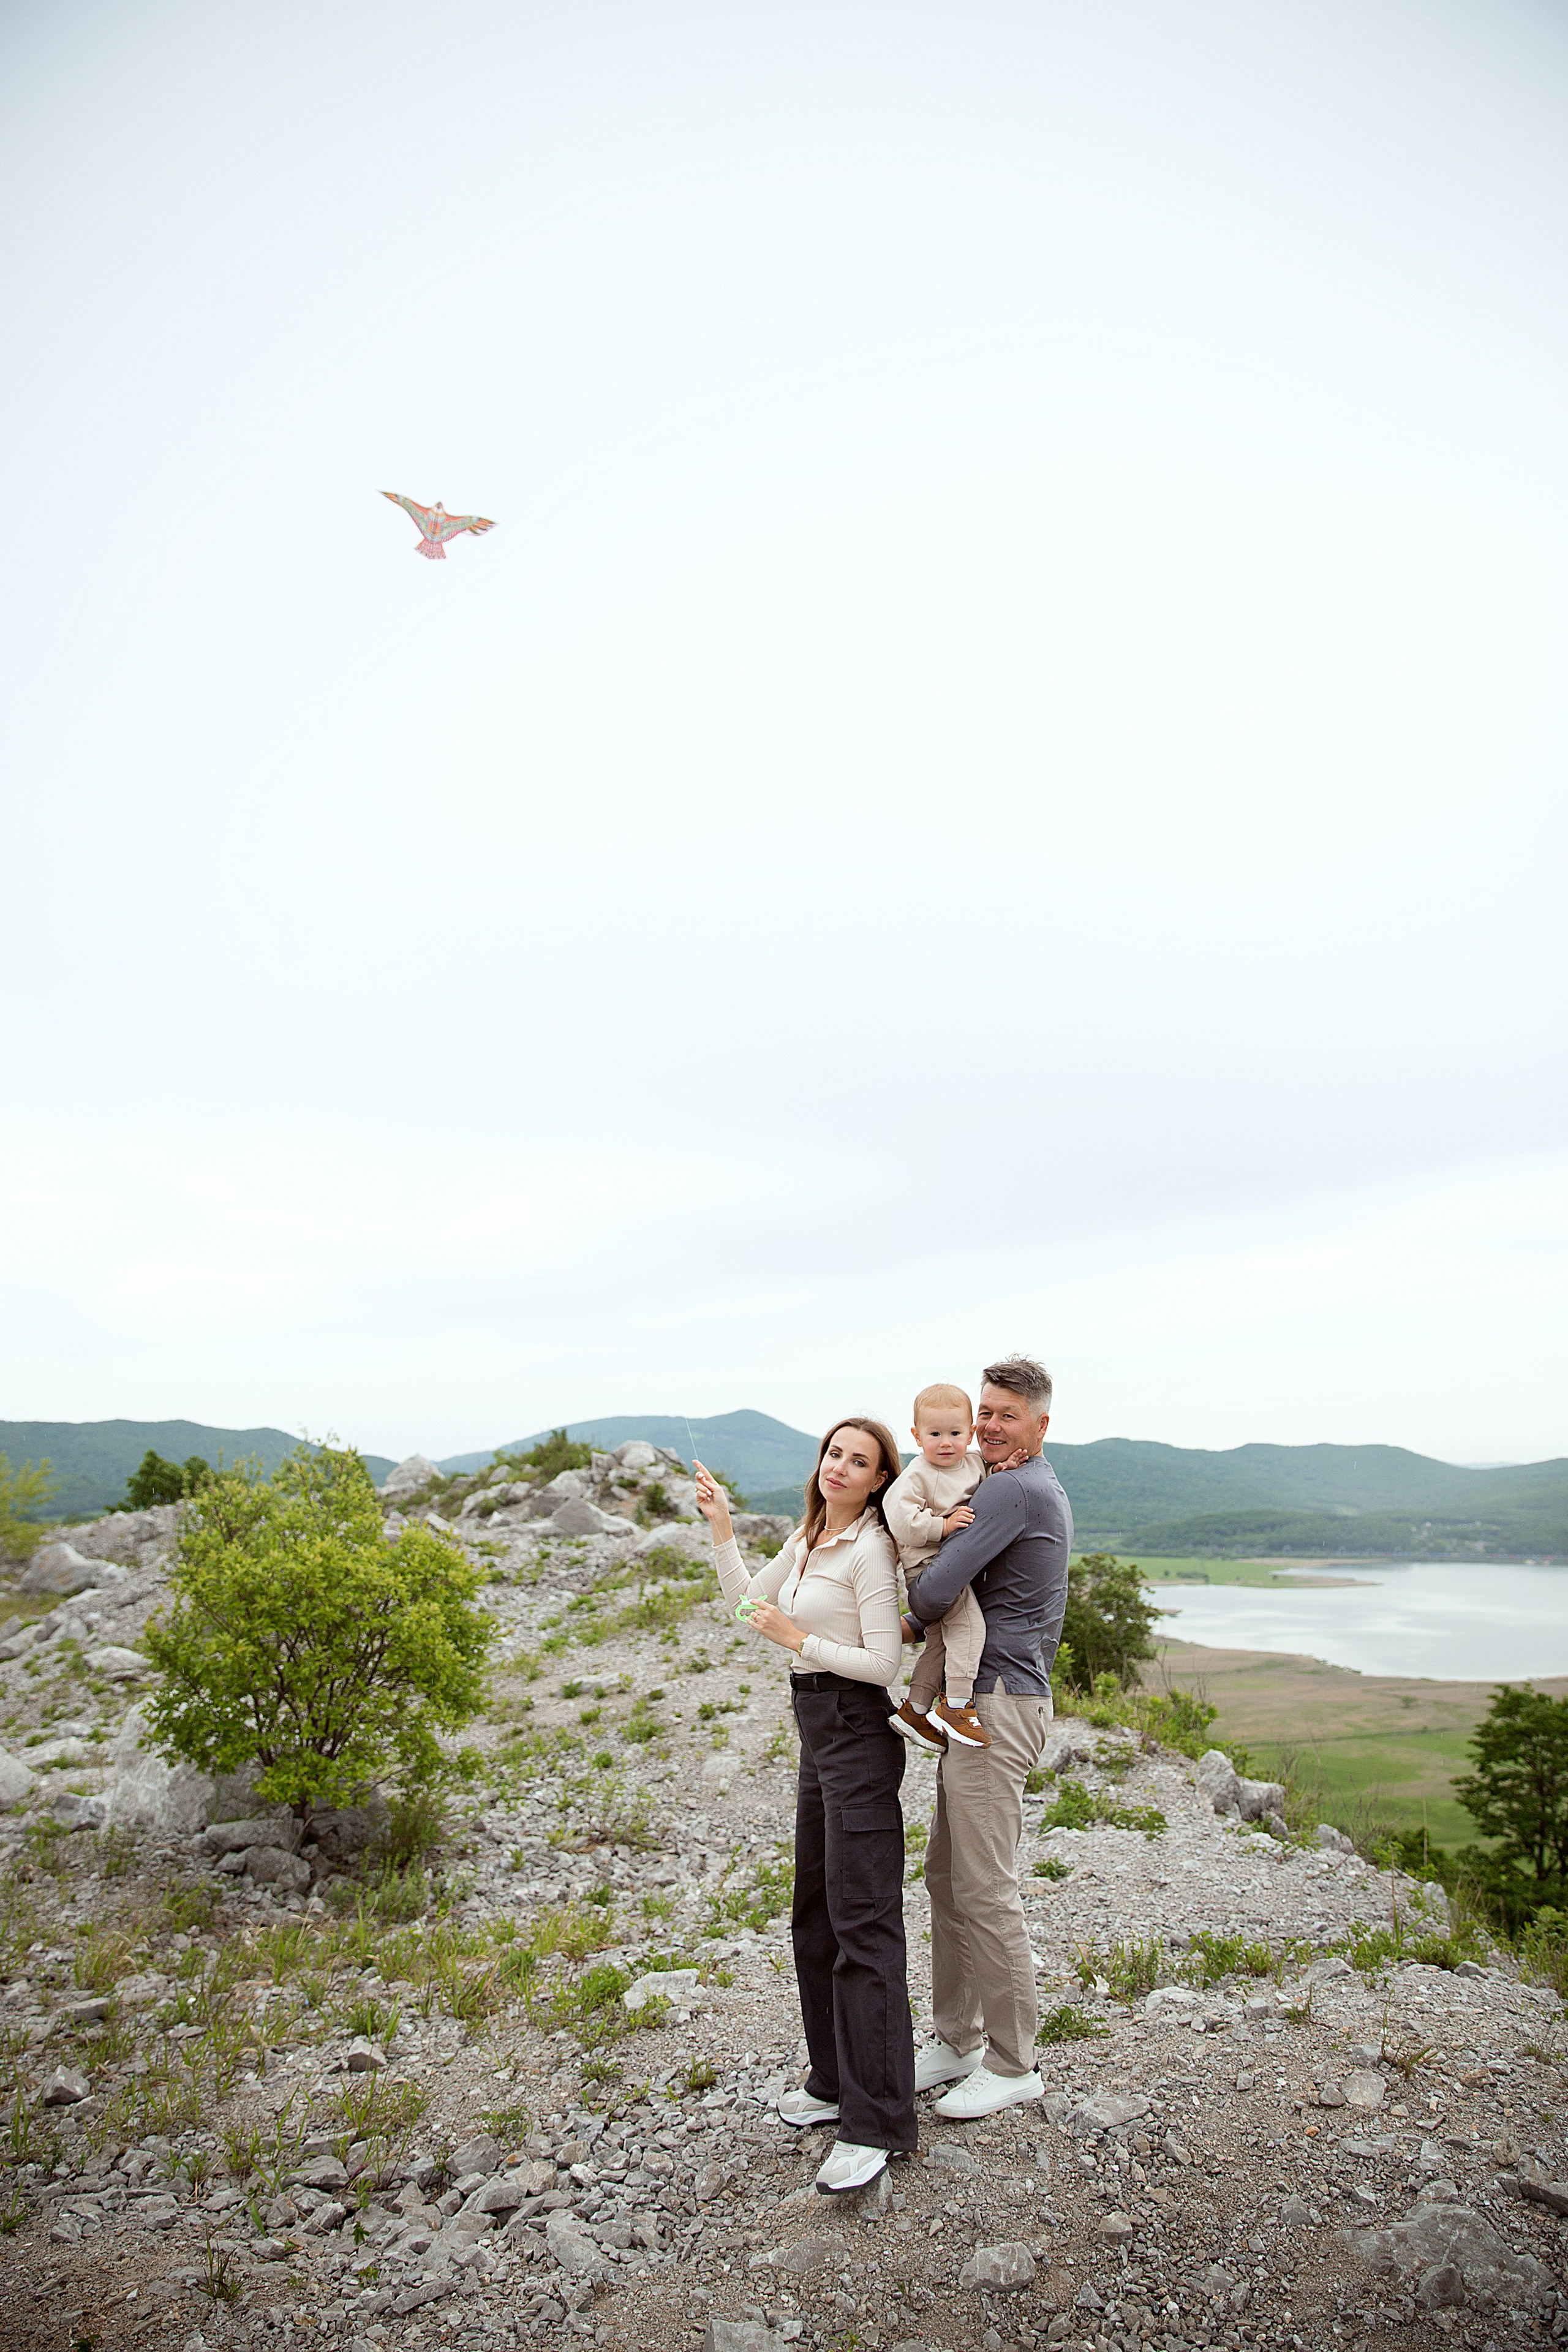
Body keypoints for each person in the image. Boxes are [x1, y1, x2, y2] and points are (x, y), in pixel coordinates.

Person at [694, 1417, 916, 2195]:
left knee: (863, 1924)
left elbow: (884, 1663)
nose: (841, 1467)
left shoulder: (870, 1551)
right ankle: (832, 2083)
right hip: (816, 1733)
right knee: (813, 1917)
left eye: (860, 1461)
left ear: (881, 1480)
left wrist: (799, 1641)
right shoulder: (810, 1537)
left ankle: (879, 2121)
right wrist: (722, 1526)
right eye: (834, 1454)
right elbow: (744, 1607)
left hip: (856, 1730)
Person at [901, 1355, 1072, 2120]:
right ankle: (957, 2037)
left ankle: (1012, 2062)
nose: (991, 1425)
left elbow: (937, 1589)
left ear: (1040, 1423)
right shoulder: (1010, 1484)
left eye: (1007, 1414)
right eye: (985, 1412)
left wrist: (904, 1598)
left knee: (984, 1885)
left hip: (997, 1704)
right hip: (987, 1702)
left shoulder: (1011, 1490)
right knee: (946, 1874)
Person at [884, 1382, 993, 1752]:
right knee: (970, 1627)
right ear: (917, 1436)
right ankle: (959, 1704)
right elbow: (902, 1523)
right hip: (929, 1570)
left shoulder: (974, 1462)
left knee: (941, 1643)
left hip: (950, 1567)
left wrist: (1004, 1468)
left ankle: (914, 1709)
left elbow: (990, 1483)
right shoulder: (916, 1476)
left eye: (955, 1433)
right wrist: (942, 1526)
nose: (946, 1443)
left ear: (971, 1433)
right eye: (935, 1434)